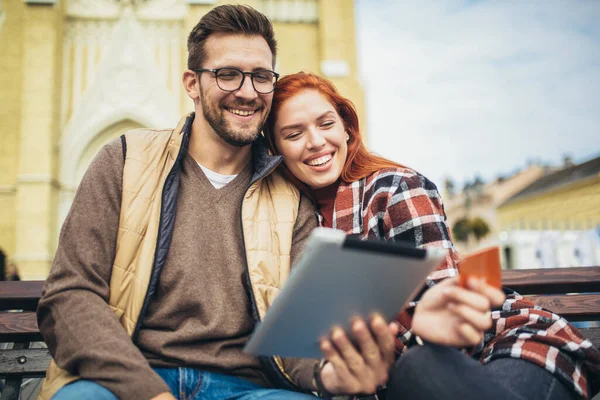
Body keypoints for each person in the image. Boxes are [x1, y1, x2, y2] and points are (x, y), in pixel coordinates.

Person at [36, 6, 398, 400]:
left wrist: (331, 376)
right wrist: (149, 393)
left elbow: (295, 334)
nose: (247, 91)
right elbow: (71, 295)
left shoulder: (292, 198)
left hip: (248, 389)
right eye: (228, 74)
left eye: (261, 77)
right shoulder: (124, 161)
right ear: (192, 83)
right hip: (130, 381)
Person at [264, 72, 600, 400]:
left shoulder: (394, 188)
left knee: (418, 366)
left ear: (347, 129)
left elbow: (447, 314)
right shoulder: (288, 220)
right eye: (294, 134)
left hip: (502, 347)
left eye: (326, 124)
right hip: (393, 382)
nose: (316, 141)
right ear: (274, 149)